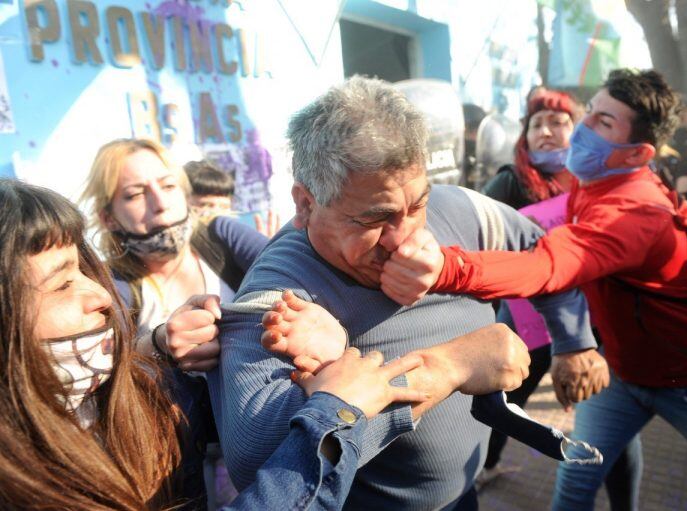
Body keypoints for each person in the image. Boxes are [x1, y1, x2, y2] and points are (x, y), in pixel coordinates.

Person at [209, 75, 598, 510]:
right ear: (306, 203)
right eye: (375, 219)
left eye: (416, 207)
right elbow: (259, 468)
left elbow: (541, 254)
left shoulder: (459, 209)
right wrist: (445, 367)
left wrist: (573, 341)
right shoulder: (278, 298)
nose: (407, 239)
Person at [416, 69, 687, 510]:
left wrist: (441, 265)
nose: (583, 129)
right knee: (574, 485)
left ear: (637, 152)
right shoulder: (593, 181)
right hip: (621, 373)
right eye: (592, 112)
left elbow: (547, 263)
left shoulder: (635, 211)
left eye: (604, 123)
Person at [0, 178, 430, 510]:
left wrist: (168, 355)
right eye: (60, 284)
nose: (98, 298)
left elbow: (217, 411)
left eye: (168, 185)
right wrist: (332, 415)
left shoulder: (112, 397)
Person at [80, 138, 269, 504]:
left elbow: (292, 271)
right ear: (108, 217)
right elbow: (106, 354)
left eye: (167, 185)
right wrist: (159, 343)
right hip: (177, 462)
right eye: (135, 194)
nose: (160, 203)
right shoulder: (113, 282)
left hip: (261, 431)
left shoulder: (220, 237)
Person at [478, 89, 640, 508]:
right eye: (537, 124)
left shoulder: (596, 182)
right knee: (503, 403)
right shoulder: (508, 182)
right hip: (524, 323)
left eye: (559, 122)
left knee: (612, 425)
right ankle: (484, 467)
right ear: (524, 136)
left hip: (592, 324)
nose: (547, 132)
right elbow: (482, 245)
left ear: (577, 130)